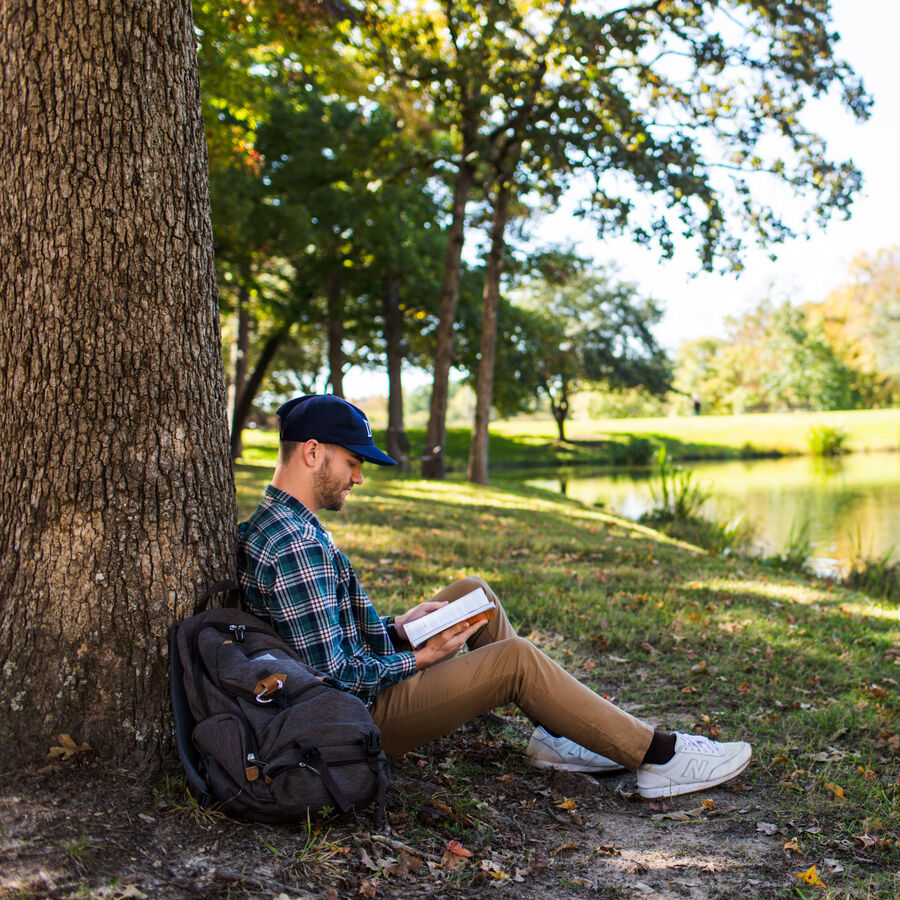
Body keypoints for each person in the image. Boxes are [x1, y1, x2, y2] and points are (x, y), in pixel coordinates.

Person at [237, 395, 751, 799]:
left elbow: (324, 636)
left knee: (472, 594)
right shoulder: (294, 546)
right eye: (352, 462)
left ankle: (557, 736)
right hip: (356, 718)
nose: (358, 477)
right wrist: (418, 657)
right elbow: (335, 679)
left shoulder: (288, 524)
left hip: (353, 690)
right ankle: (659, 758)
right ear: (311, 452)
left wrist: (397, 627)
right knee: (516, 662)